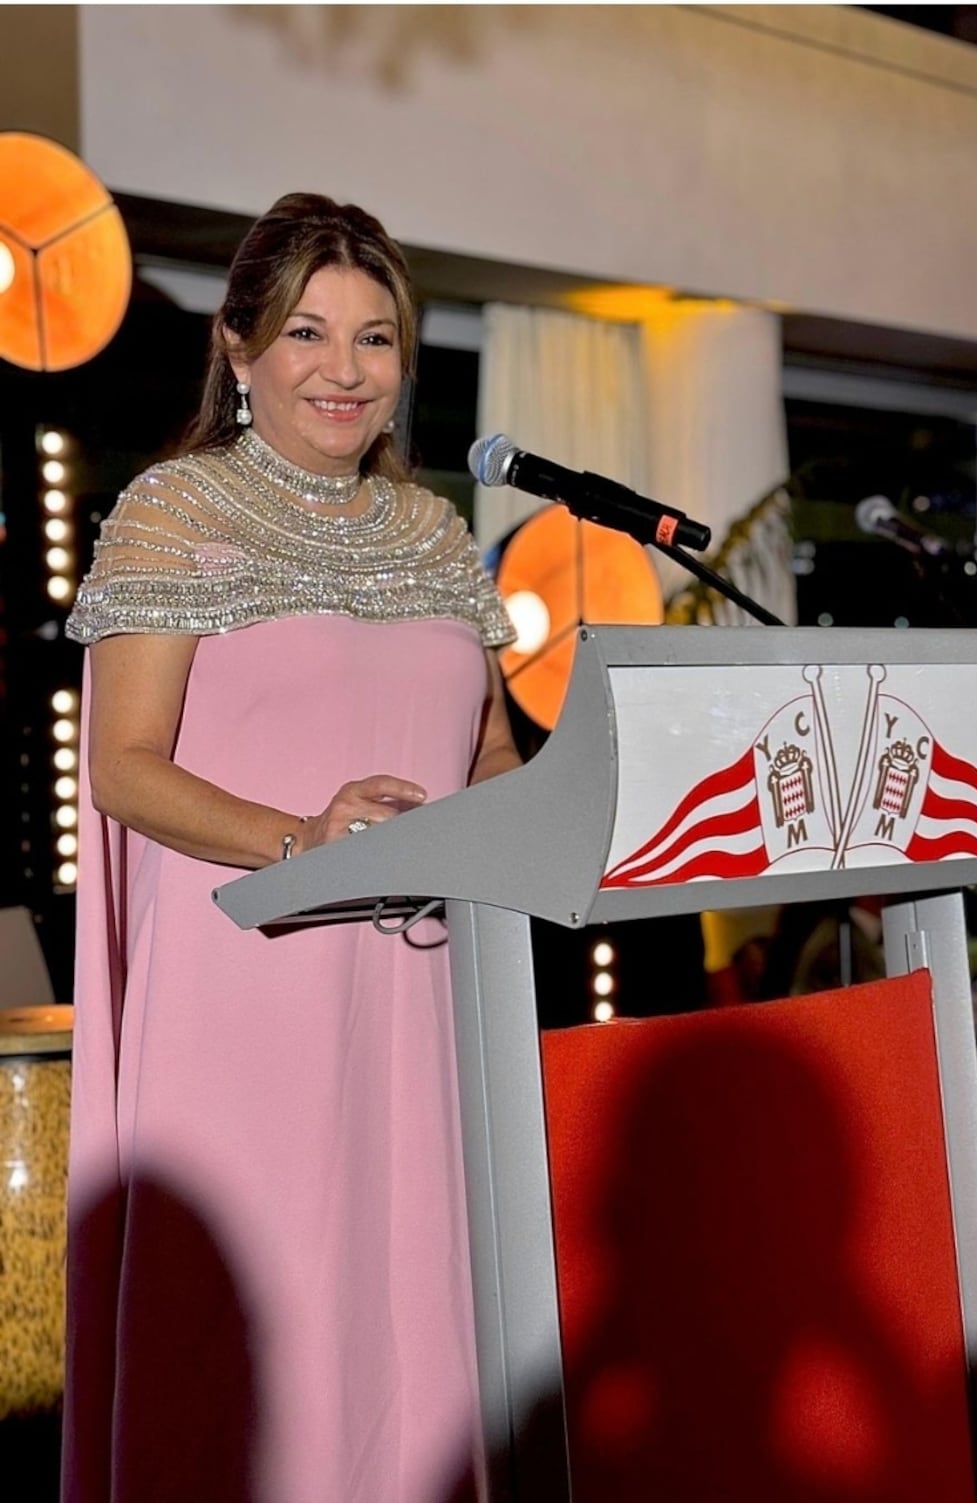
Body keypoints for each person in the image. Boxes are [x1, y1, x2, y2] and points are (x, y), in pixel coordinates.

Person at [61, 193, 519, 1503]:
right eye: (308, 333)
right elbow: (123, 765)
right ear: (239, 346)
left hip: (426, 993)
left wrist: (515, 817)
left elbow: (490, 754)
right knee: (266, 1347)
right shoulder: (173, 508)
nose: (344, 369)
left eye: (375, 339)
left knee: (418, 1326)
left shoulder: (435, 533)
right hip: (247, 996)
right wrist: (304, 840)